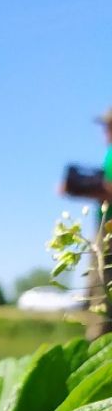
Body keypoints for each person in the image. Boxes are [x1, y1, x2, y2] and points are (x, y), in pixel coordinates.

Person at [87, 107, 112, 340]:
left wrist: (82, 188)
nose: (105, 131)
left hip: (108, 235)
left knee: (100, 294)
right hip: (104, 231)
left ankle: (97, 346)